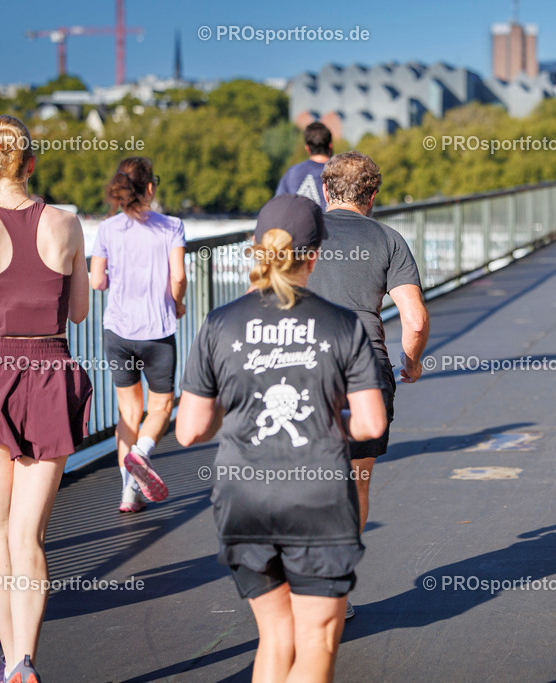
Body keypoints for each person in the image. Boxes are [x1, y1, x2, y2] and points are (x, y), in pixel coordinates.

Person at [176, 194, 387, 683]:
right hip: (317, 497)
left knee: (275, 638)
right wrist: (324, 423)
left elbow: (189, 429)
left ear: (256, 246)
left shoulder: (220, 323)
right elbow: (371, 424)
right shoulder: (343, 324)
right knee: (316, 642)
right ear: (315, 256)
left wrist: (237, 413)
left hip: (243, 497)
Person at [0, 115, 92, 683]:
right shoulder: (68, 224)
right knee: (29, 536)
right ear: (31, 164)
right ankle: (27, 657)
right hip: (50, 375)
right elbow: (79, 313)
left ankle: (9, 663)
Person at [306, 151, 429, 619]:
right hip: (365, 369)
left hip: (303, 365)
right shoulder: (388, 239)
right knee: (356, 480)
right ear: (373, 195)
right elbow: (414, 320)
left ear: (325, 190)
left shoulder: (301, 235)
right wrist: (411, 363)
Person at [90, 157, 186, 513]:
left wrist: (116, 281)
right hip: (157, 332)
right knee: (160, 407)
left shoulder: (107, 229)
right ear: (149, 187)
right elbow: (178, 276)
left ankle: (128, 494)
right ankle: (141, 454)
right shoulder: (172, 226)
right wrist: (178, 304)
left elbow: (97, 281)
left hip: (118, 332)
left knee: (128, 412)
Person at [276, 121, 333, 209]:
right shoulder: (339, 173)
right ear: (330, 146)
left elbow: (278, 205)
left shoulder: (292, 173)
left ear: (307, 148)